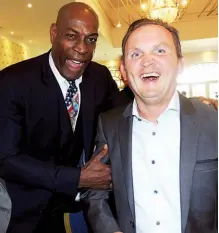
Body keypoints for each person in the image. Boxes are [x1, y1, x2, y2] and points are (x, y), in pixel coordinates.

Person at [0, 2, 129, 233]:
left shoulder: (99, 76)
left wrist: (177, 101)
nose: (82, 48)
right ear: (53, 33)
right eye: (71, 36)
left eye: (91, 39)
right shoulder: (12, 83)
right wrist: (77, 178)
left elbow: (124, 111)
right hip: (25, 214)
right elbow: (6, 158)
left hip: (80, 211)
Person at [83, 18, 218, 233]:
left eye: (160, 51)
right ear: (124, 72)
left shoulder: (213, 121)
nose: (147, 61)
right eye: (136, 54)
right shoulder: (108, 125)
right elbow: (94, 191)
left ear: (180, 64)